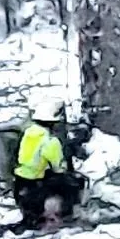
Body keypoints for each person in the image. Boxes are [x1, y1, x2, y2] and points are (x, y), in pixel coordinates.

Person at [13, 98, 83, 230]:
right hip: (36, 186)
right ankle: (68, 214)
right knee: (72, 183)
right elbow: (59, 168)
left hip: (19, 183)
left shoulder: (28, 133)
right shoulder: (50, 141)